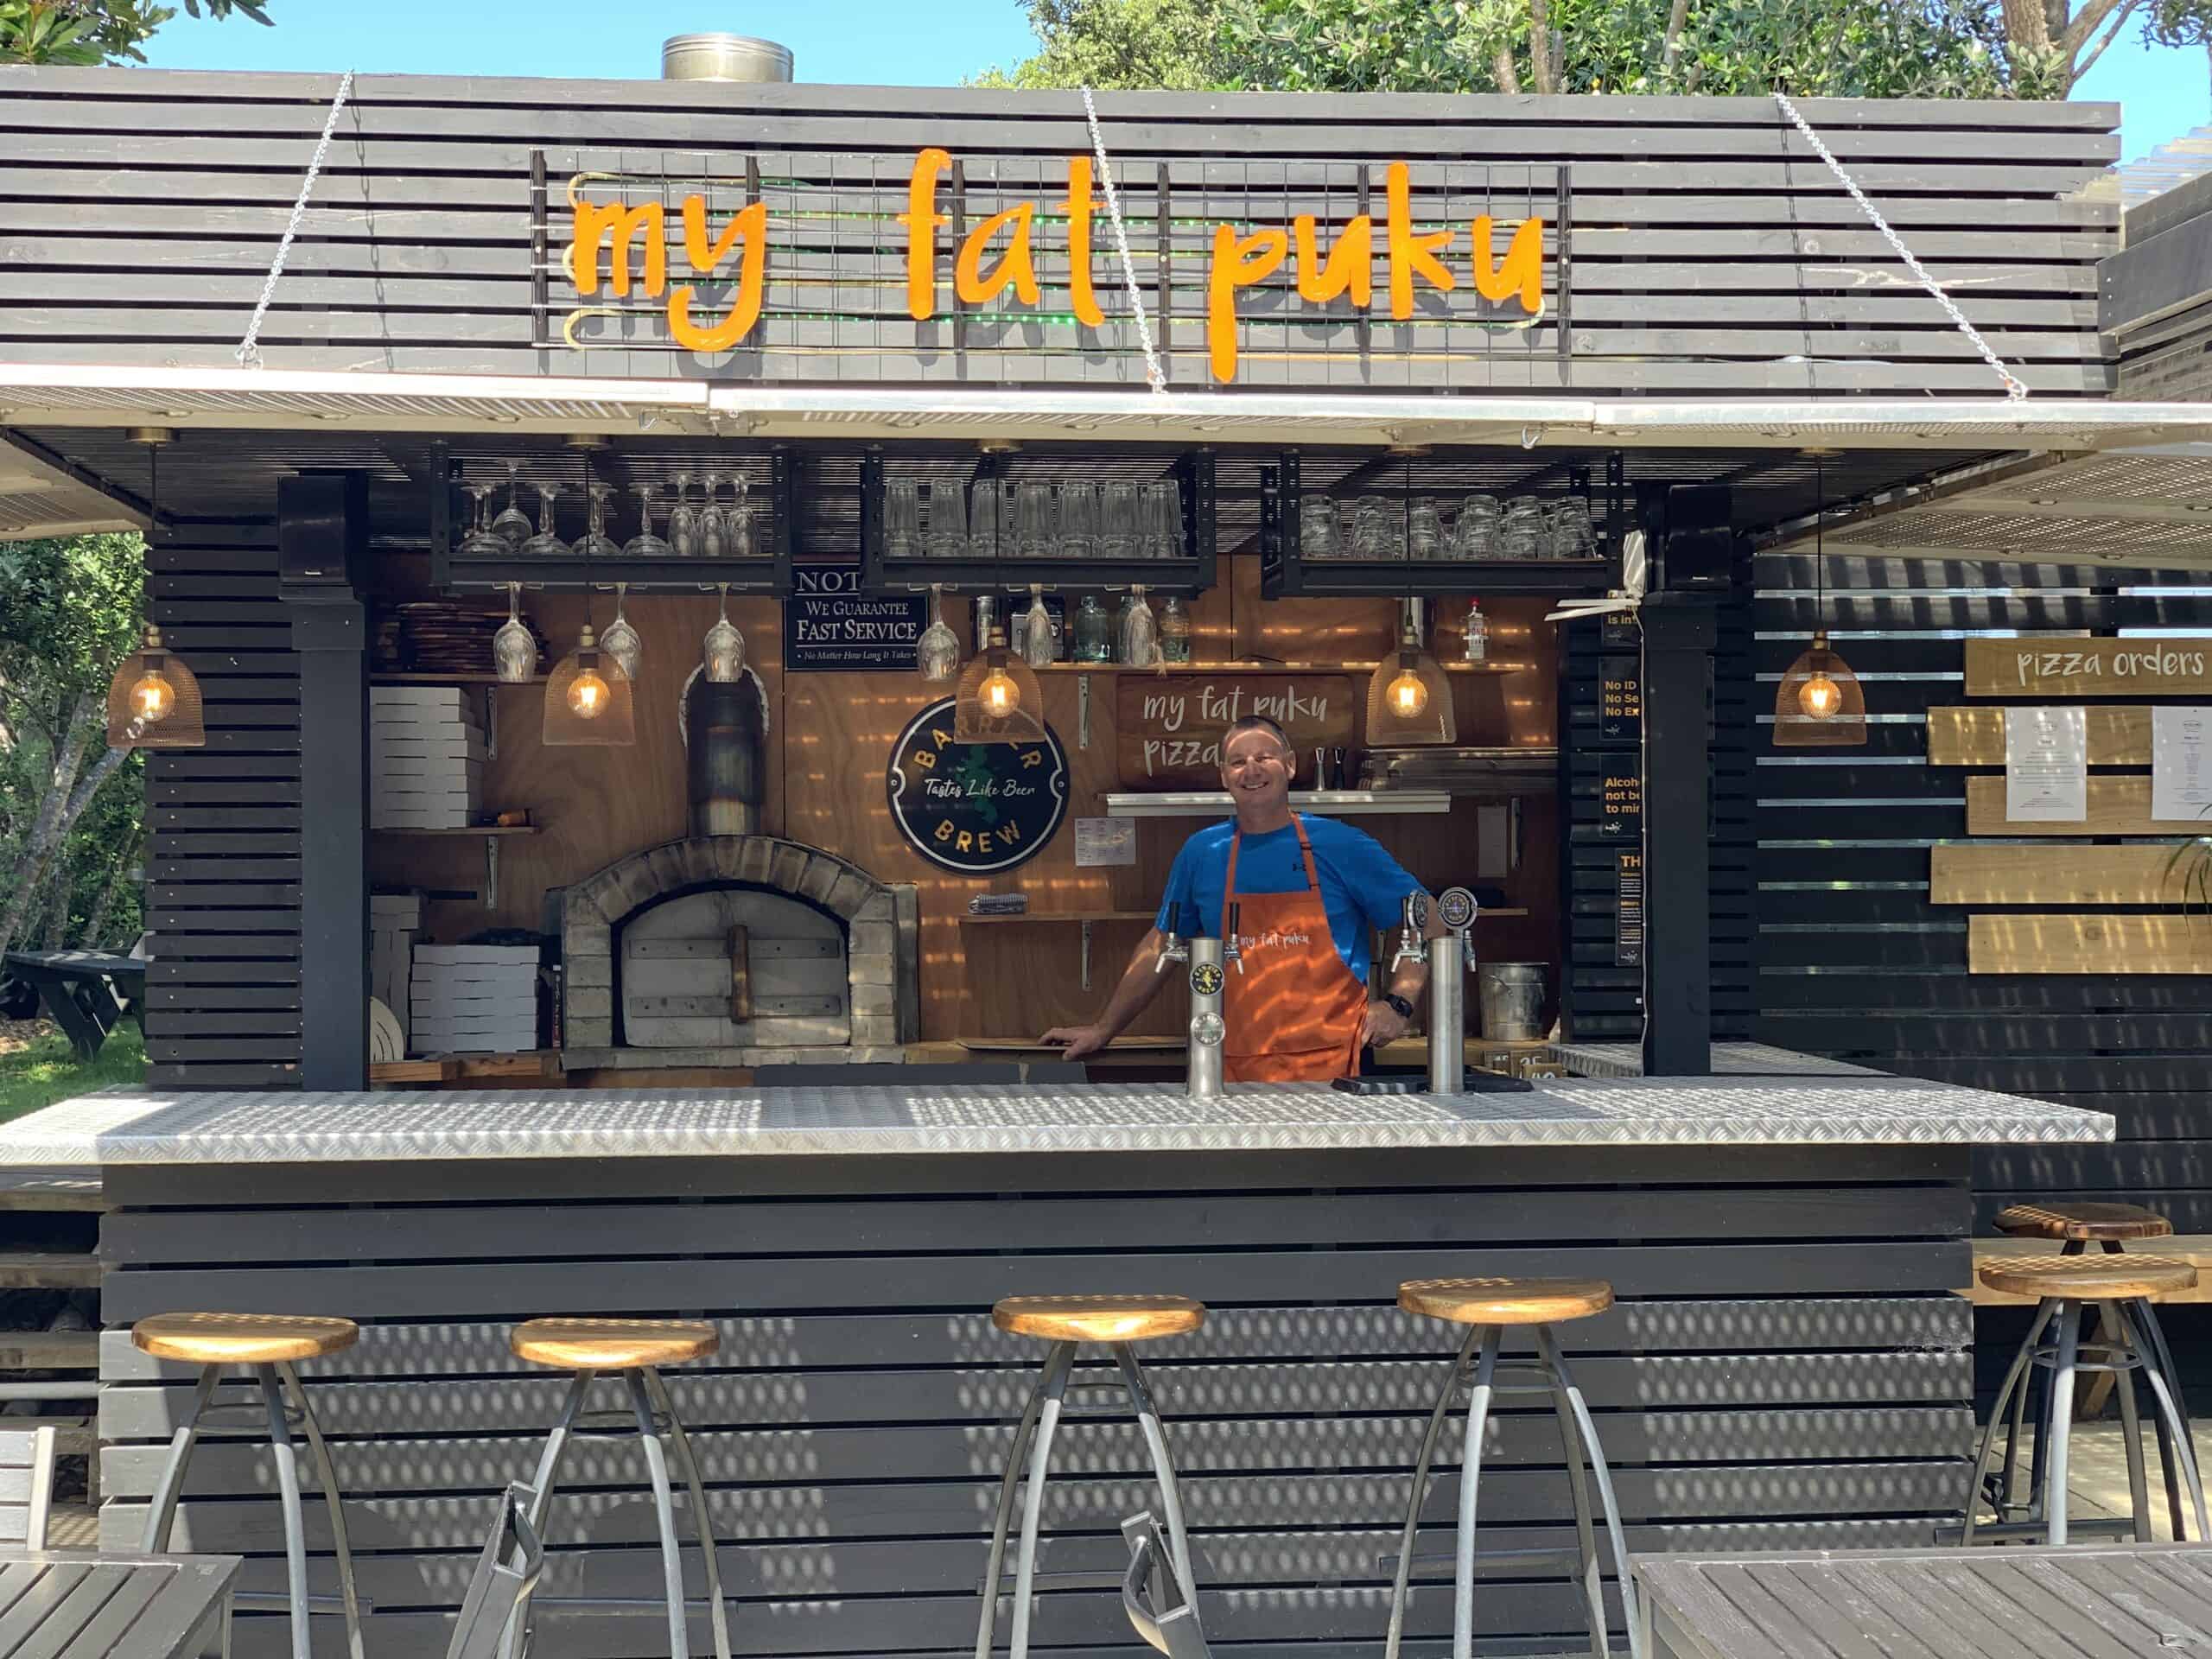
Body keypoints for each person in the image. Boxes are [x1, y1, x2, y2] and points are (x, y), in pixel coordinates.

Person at [1043, 714, 1446, 1081]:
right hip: (1231, 1071)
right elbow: (1162, 945)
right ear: (1224, 775)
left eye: (1264, 757)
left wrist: (1399, 1005)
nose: (1251, 770)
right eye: (1238, 761)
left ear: (1290, 765)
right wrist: (1104, 1029)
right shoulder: (1204, 852)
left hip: (1336, 1068)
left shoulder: (1341, 844)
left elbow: (1430, 918)